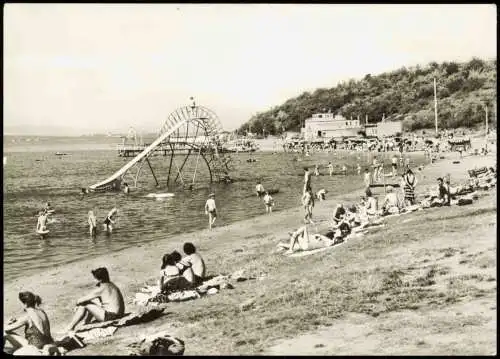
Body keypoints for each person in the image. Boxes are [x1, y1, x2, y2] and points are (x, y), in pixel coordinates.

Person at [62, 267, 125, 334]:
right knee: (91, 303)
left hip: (110, 316)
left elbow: (80, 300)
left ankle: (70, 327)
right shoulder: (112, 285)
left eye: (95, 279)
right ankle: (86, 322)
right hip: (119, 314)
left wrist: (77, 305)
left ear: (99, 280)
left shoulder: (101, 288)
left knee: (85, 304)